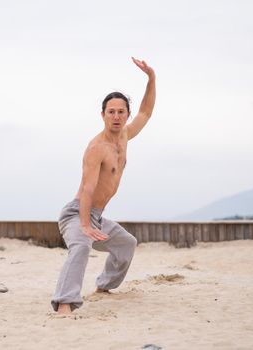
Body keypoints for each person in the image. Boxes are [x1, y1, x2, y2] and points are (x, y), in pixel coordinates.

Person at [51, 57, 156, 314]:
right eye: (111, 112)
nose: (117, 116)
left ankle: (104, 285)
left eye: (121, 112)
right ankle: (65, 303)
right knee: (82, 246)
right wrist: (85, 225)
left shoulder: (126, 136)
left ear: (126, 115)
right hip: (77, 213)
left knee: (126, 244)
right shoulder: (97, 148)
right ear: (103, 115)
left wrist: (151, 78)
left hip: (96, 216)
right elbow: (88, 188)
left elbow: (146, 111)